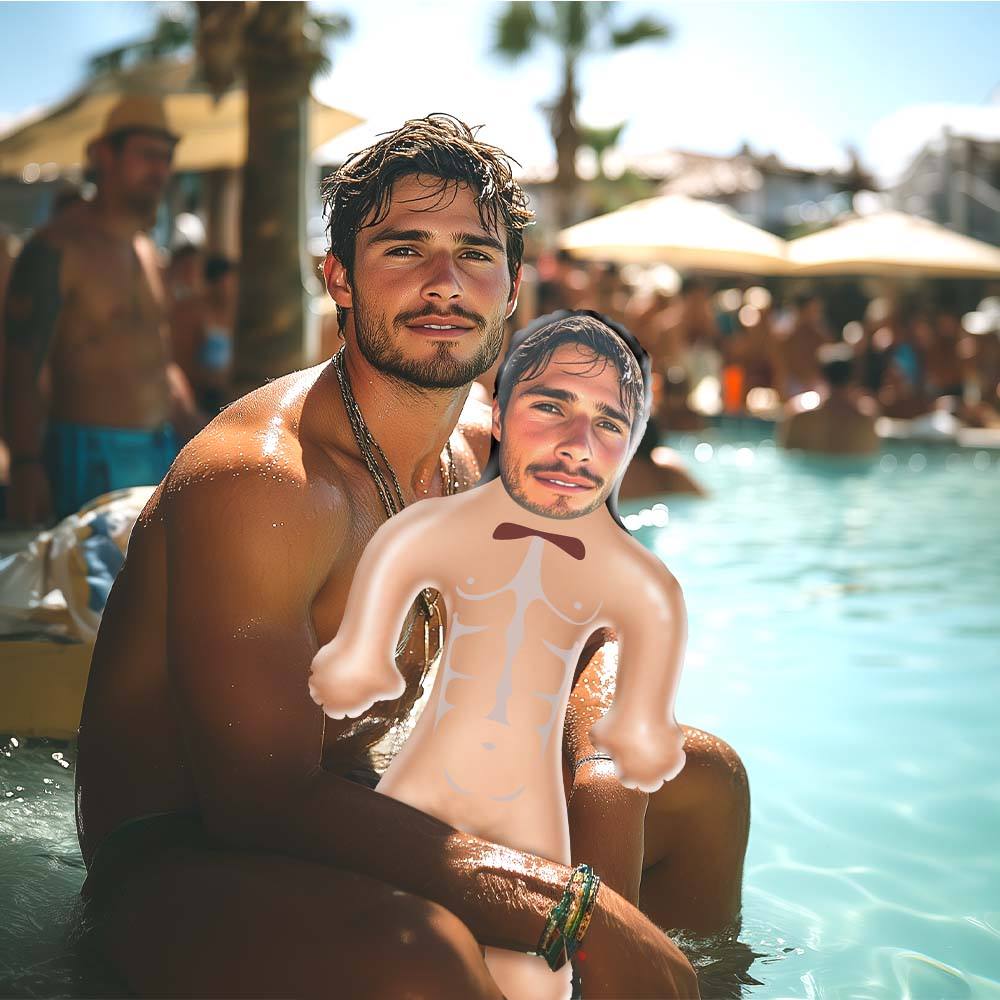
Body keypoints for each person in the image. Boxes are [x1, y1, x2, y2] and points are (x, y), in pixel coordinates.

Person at [77, 116, 745, 999]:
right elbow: (257, 799)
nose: (444, 283)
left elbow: (606, 622)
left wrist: (606, 778)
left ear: (512, 292)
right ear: (340, 279)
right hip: (181, 856)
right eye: (405, 249)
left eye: (475, 254)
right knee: (421, 959)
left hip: (368, 809)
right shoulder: (267, 483)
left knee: (702, 782)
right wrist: (574, 909)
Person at [309, 311, 687, 999]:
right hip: (379, 791)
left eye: (610, 419)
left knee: (690, 781)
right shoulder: (452, 495)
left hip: (468, 772)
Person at [2, 96, 193, 524]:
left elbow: (160, 360)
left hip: (159, 452)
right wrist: (26, 465)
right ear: (103, 155)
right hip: (85, 458)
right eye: (147, 155)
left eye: (166, 159)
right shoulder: (57, 248)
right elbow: (20, 367)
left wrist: (200, 427)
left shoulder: (147, 252)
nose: (160, 171)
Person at [778, 345, 879, 456]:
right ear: (853, 377)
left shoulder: (798, 413)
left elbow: (785, 454)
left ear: (820, 375)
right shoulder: (865, 418)